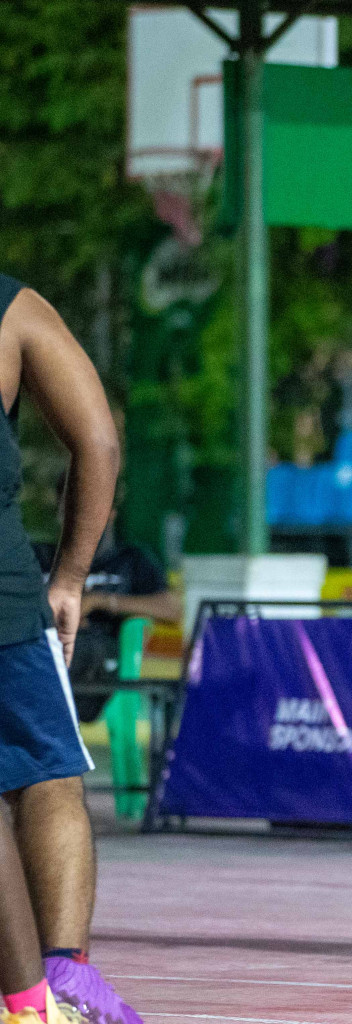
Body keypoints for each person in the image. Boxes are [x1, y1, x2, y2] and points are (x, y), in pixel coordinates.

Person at [0, 275, 137, 1024]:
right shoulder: (12, 307)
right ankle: (58, 984)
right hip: (6, 591)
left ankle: (34, 999)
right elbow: (99, 440)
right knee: (47, 775)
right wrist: (72, 576)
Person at [33, 479, 182, 724]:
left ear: (110, 512)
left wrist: (99, 601)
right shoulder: (38, 556)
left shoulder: (131, 560)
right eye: (67, 507)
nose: (75, 516)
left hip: (98, 662)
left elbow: (171, 608)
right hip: (43, 648)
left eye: (84, 507)